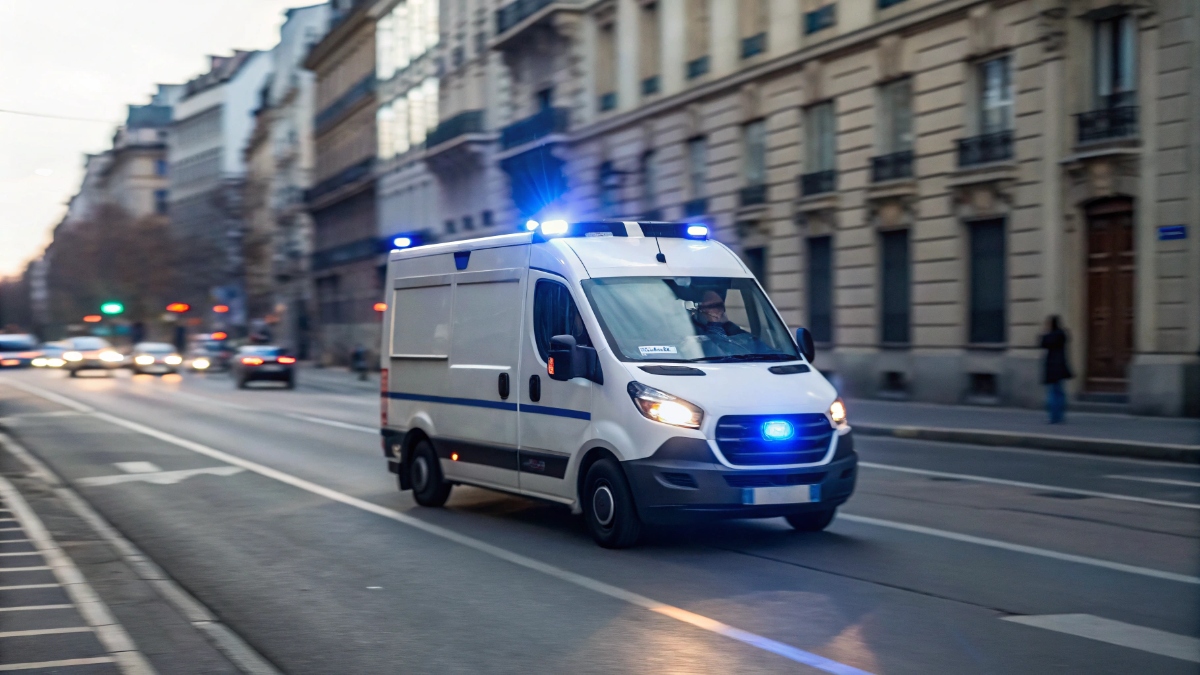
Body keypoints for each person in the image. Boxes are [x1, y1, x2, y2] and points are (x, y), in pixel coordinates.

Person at [1039, 315, 1072, 424]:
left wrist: (1045, 332)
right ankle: (1060, 416)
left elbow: (1042, 343)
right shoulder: (1061, 334)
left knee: (1053, 393)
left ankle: (1053, 417)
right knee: (1060, 392)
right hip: (1060, 366)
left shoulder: (1050, 335)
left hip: (1052, 367)